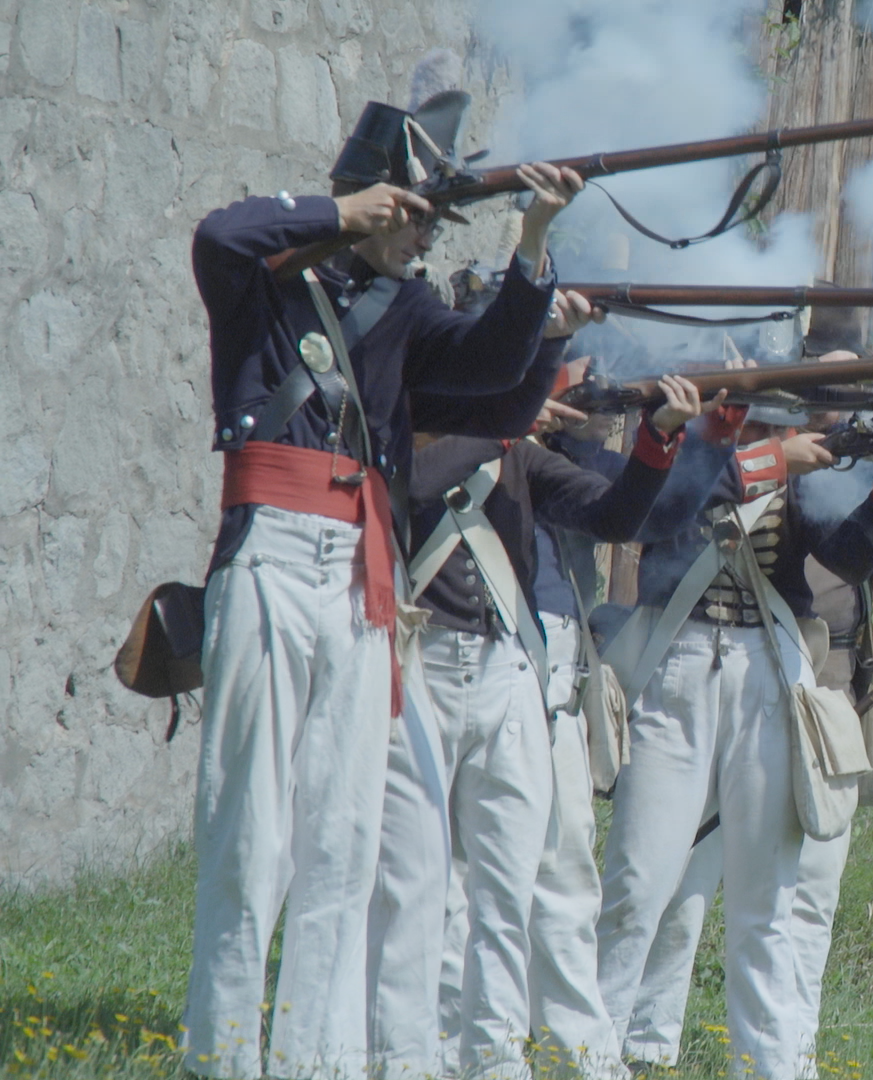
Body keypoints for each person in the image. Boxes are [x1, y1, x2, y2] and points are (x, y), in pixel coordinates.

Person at [183, 93, 591, 1078]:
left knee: (345, 841)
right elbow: (218, 233)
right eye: (413, 215)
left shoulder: (406, 312)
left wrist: (533, 240)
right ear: (373, 198)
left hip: (363, 580)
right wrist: (341, 214)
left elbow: (493, 373)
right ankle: (224, 1058)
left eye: (426, 221)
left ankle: (318, 1062)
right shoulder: (265, 283)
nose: (423, 237)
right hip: (274, 557)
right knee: (252, 833)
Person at [367, 373, 738, 1080]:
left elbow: (621, 515)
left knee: (524, 887)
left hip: (521, 669)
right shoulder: (411, 430)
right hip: (424, 666)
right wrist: (508, 420)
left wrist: (662, 434)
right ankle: (429, 1054)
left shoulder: (534, 456)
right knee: (433, 886)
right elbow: (410, 485)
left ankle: (515, 1059)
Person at [618, 357, 873, 1076]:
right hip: (683, 669)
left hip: (789, 683)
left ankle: (780, 1063)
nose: (829, 411)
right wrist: (759, 451)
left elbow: (852, 554)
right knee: (649, 886)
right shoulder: (710, 443)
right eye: (819, 395)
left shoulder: (824, 463)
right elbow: (653, 513)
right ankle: (611, 1051)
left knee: (780, 907)